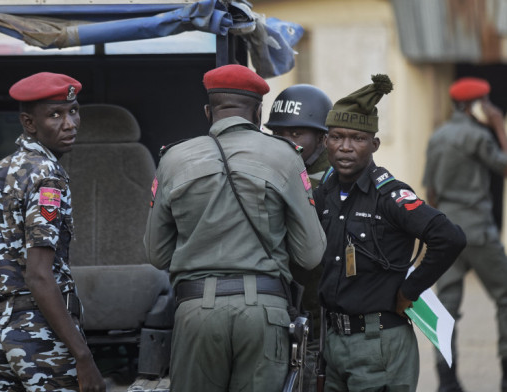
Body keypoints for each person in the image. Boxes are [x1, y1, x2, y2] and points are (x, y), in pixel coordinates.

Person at [144, 63, 327, 392]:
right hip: (264, 313)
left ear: (207, 111)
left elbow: (157, 254)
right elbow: (311, 254)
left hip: (196, 312)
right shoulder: (285, 157)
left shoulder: (172, 159)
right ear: (258, 112)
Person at [0, 71, 106, 392]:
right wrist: (83, 357)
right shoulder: (47, 175)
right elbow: (38, 274)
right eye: (55, 115)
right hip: (43, 334)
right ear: (29, 122)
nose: (70, 124)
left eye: (73, 110)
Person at [314, 74, 466, 391]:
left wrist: (410, 290)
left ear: (374, 144)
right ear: (325, 141)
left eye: (356, 138)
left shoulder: (389, 195)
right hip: (334, 342)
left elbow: (449, 237)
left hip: (379, 342)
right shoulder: (325, 192)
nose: (345, 147)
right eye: (336, 136)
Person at [423, 77, 507, 392]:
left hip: (448, 233)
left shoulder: (438, 136)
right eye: (485, 103)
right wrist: (499, 124)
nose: (490, 108)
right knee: (505, 297)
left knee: (445, 309)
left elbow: (430, 193)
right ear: (473, 106)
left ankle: (447, 382)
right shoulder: (478, 135)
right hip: (479, 232)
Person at [264, 83, 333, 392]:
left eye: (296, 135)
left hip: (321, 319)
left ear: (321, 138)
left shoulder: (333, 177)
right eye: (278, 134)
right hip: (284, 314)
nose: (285, 143)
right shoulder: (269, 169)